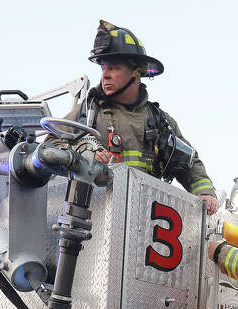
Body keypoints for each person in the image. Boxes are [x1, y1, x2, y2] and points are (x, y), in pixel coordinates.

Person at [70, 20, 219, 214]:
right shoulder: (87, 112)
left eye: (113, 68)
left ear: (136, 72)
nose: (105, 75)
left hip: (144, 220)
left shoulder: (159, 121)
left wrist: (205, 193)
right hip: (93, 217)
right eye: (103, 68)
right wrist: (82, 152)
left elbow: (189, 163)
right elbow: (50, 149)